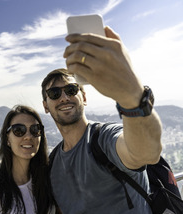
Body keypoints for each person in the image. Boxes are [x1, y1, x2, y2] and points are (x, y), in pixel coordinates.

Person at [41, 26, 162, 213]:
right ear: (45, 106)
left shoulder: (103, 138)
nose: (64, 97)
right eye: (55, 93)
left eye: (71, 90)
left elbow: (145, 153)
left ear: (84, 97)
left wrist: (131, 96)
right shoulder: (53, 163)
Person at [0, 105, 57, 214]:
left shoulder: (46, 184)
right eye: (19, 130)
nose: (28, 136)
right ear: (7, 139)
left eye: (35, 129)